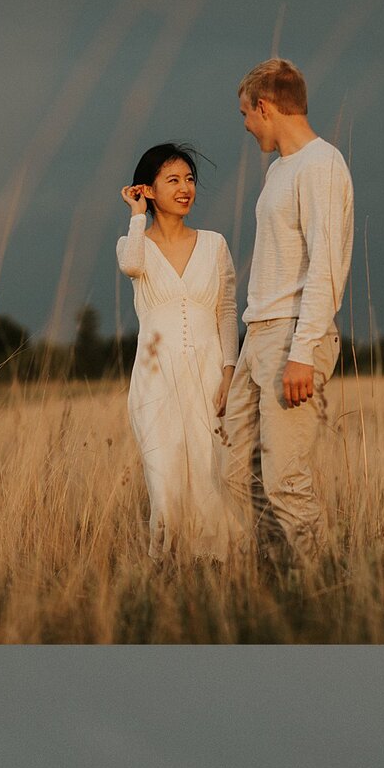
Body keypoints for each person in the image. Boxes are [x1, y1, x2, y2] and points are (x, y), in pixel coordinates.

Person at [221, 59, 354, 569]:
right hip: (258, 335)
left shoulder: (322, 164)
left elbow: (325, 265)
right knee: (235, 471)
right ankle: (279, 576)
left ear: (265, 107)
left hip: (295, 337)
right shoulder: (281, 169)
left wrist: (302, 353)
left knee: (285, 481)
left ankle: (325, 589)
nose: (247, 126)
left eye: (246, 115)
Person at [117, 144, 238, 561]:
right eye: (172, 180)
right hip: (156, 380)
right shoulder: (134, 245)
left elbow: (225, 310)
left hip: (208, 375)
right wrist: (136, 216)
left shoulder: (215, 245)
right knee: (164, 479)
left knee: (212, 475)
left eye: (189, 180)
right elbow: (132, 266)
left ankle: (216, 570)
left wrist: (229, 370)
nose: (185, 188)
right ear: (148, 190)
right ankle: (167, 569)